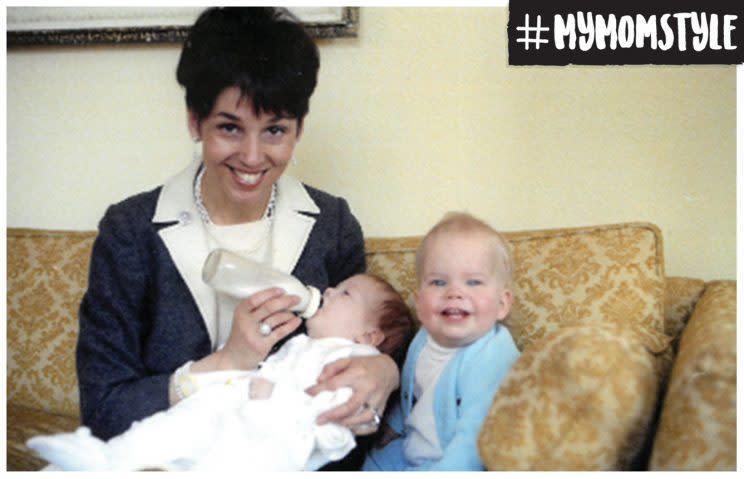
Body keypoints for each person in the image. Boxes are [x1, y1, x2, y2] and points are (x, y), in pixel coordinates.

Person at [75, 7, 400, 469]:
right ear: (195, 121)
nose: (252, 157)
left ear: (299, 129)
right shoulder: (130, 233)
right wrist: (228, 362)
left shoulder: (332, 225)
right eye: (229, 127)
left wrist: (385, 372)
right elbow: (104, 408)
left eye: (274, 130)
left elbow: (366, 345)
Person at [30, 274, 414, 471]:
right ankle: (107, 458)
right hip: (229, 402)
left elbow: (336, 417)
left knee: (214, 458)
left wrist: (385, 367)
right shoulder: (308, 343)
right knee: (175, 426)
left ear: (369, 336)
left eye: (344, 293)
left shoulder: (350, 357)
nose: (327, 289)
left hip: (270, 435)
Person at [362, 212, 522, 471]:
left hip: (460, 461)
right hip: (411, 450)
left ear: (502, 304)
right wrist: (389, 430)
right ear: (419, 301)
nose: (455, 293)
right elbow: (411, 397)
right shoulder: (424, 339)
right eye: (438, 282)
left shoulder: (493, 358)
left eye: (473, 282)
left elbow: (475, 443)